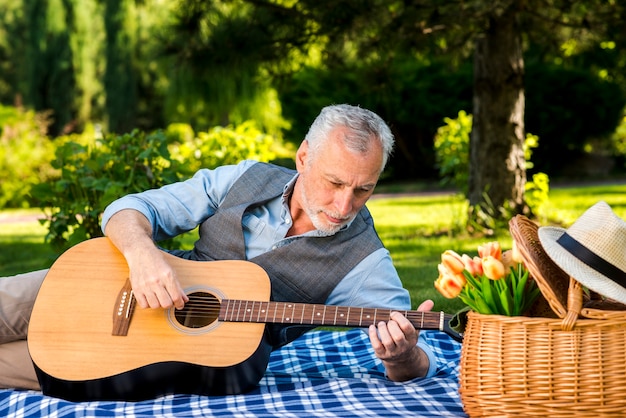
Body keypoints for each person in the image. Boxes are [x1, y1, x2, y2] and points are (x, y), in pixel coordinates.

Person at [0, 104, 437, 392]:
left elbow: (417, 364)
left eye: (363, 189)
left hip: (160, 357)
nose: (345, 206)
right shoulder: (246, 177)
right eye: (334, 182)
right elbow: (131, 208)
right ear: (304, 157)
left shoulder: (367, 262)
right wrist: (144, 256)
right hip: (114, 280)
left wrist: (404, 357)